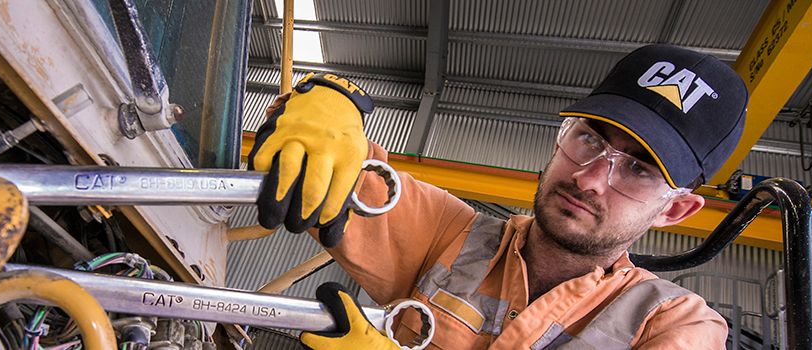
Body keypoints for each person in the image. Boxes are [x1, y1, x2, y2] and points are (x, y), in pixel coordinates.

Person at [247, 44, 749, 349]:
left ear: (676, 209)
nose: (590, 179)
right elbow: (325, 169)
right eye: (590, 139)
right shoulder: (453, 235)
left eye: (638, 169)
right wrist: (325, 100)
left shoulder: (673, 324)